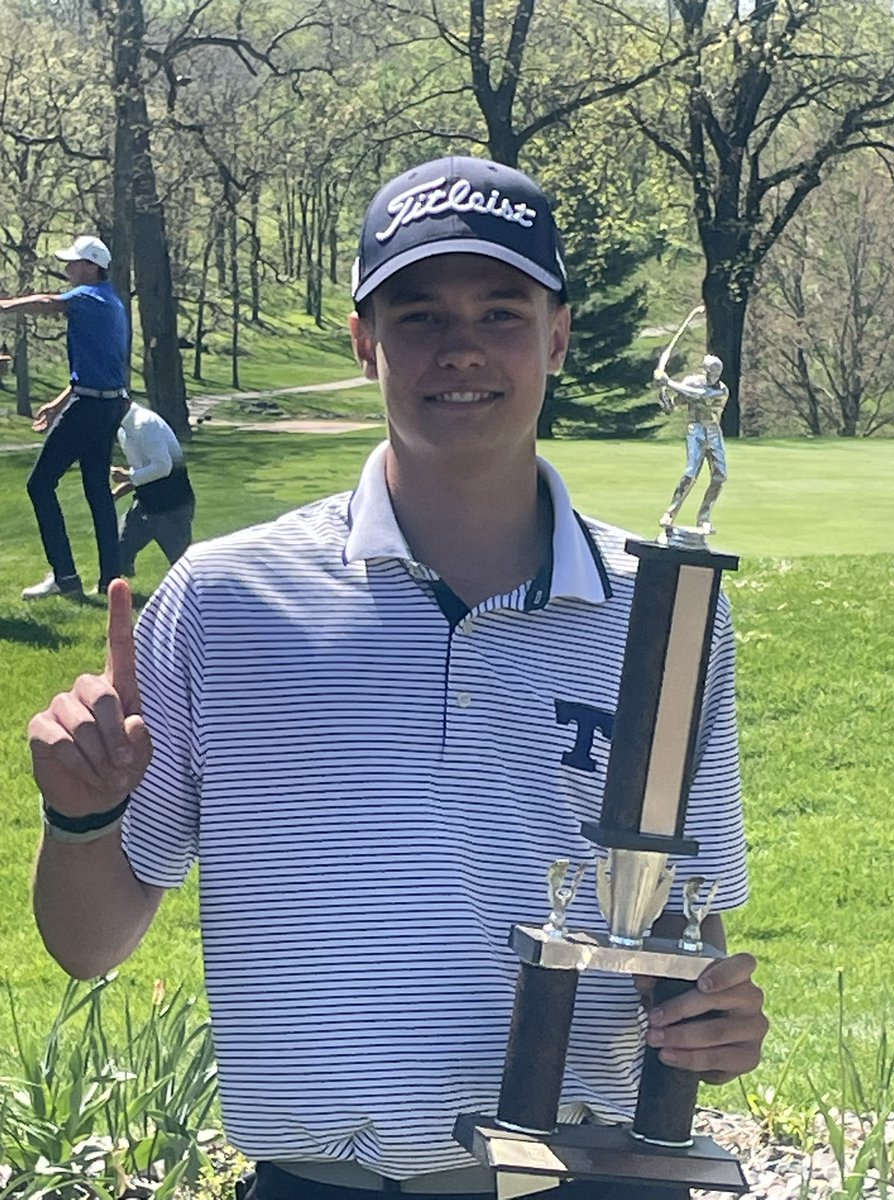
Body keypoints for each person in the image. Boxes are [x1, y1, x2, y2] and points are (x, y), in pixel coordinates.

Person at [29, 158, 767, 1200]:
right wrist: (82, 816)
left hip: (596, 1177)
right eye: (419, 316)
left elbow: (686, 927)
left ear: (557, 335)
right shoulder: (223, 600)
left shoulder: (665, 612)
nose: (461, 347)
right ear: (363, 340)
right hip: (326, 1182)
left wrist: (713, 1020)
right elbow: (88, 947)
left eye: (501, 312)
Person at [0, 234, 129, 599]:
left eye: (73, 261)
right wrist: (59, 403)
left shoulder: (88, 297)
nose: (67, 267)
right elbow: (98, 367)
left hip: (89, 407)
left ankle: (65, 577)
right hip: (107, 405)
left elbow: (46, 302)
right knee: (97, 491)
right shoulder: (112, 301)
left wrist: (5, 306)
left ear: (92, 266)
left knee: (39, 485)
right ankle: (111, 582)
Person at [111, 400, 195, 576]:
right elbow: (143, 470)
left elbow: (163, 467)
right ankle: (123, 590)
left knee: (185, 567)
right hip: (145, 505)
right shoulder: (124, 429)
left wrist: (127, 476)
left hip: (171, 507)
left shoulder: (145, 424)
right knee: (118, 553)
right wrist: (118, 493)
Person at [655, 354, 729, 536]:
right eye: (711, 372)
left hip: (713, 431)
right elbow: (672, 407)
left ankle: (704, 518)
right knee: (690, 474)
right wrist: (663, 392)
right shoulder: (692, 383)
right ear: (705, 371)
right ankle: (670, 513)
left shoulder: (721, 390)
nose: (714, 377)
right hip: (696, 430)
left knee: (720, 476)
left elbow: (700, 395)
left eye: (717, 373)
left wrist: (668, 382)